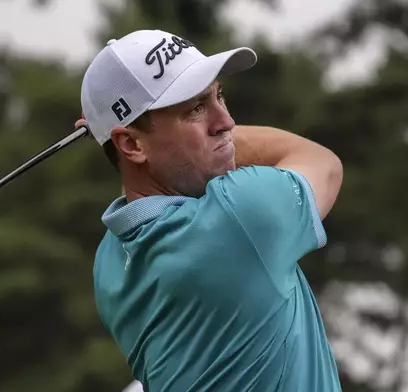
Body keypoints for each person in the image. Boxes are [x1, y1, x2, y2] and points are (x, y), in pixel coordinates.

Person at [76, 29, 344, 392]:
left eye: (220, 96)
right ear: (131, 144)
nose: (226, 122)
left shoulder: (109, 264)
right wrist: (222, 144)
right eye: (196, 108)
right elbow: (323, 163)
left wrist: (113, 135)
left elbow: (143, 179)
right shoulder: (240, 217)